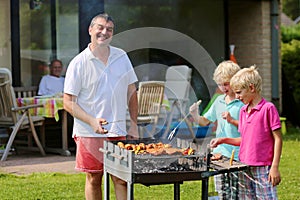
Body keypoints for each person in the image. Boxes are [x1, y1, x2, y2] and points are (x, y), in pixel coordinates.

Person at [63, 13, 138, 200]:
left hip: (118, 128)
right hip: (88, 131)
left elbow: (132, 92)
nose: (105, 32)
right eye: (100, 27)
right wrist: (91, 120)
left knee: (121, 179)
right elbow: (68, 102)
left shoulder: (121, 56)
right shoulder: (78, 63)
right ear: (90, 30)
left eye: (109, 29)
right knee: (94, 178)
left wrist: (134, 124)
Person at [210, 66, 282, 199]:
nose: (236, 97)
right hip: (244, 166)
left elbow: (278, 139)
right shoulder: (243, 111)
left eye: (239, 92)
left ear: (252, 88)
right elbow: (244, 140)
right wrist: (223, 140)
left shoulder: (268, 109)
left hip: (263, 167)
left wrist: (274, 167)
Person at [189, 60, 244, 199]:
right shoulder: (218, 100)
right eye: (220, 84)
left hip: (238, 156)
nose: (223, 88)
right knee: (222, 193)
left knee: (237, 194)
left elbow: (249, 129)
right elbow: (204, 121)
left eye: (226, 84)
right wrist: (195, 115)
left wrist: (233, 120)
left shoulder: (243, 103)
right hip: (219, 155)